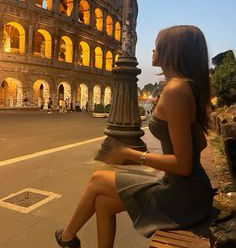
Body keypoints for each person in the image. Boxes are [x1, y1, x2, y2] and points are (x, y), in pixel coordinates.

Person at [55, 25, 214, 248]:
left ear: (173, 51)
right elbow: (201, 142)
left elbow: (183, 165)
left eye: (158, 45)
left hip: (184, 195)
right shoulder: (188, 87)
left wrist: (132, 154)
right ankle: (69, 238)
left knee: (97, 180)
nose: (153, 50)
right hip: (188, 189)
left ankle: (67, 237)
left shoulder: (176, 90)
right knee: (103, 203)